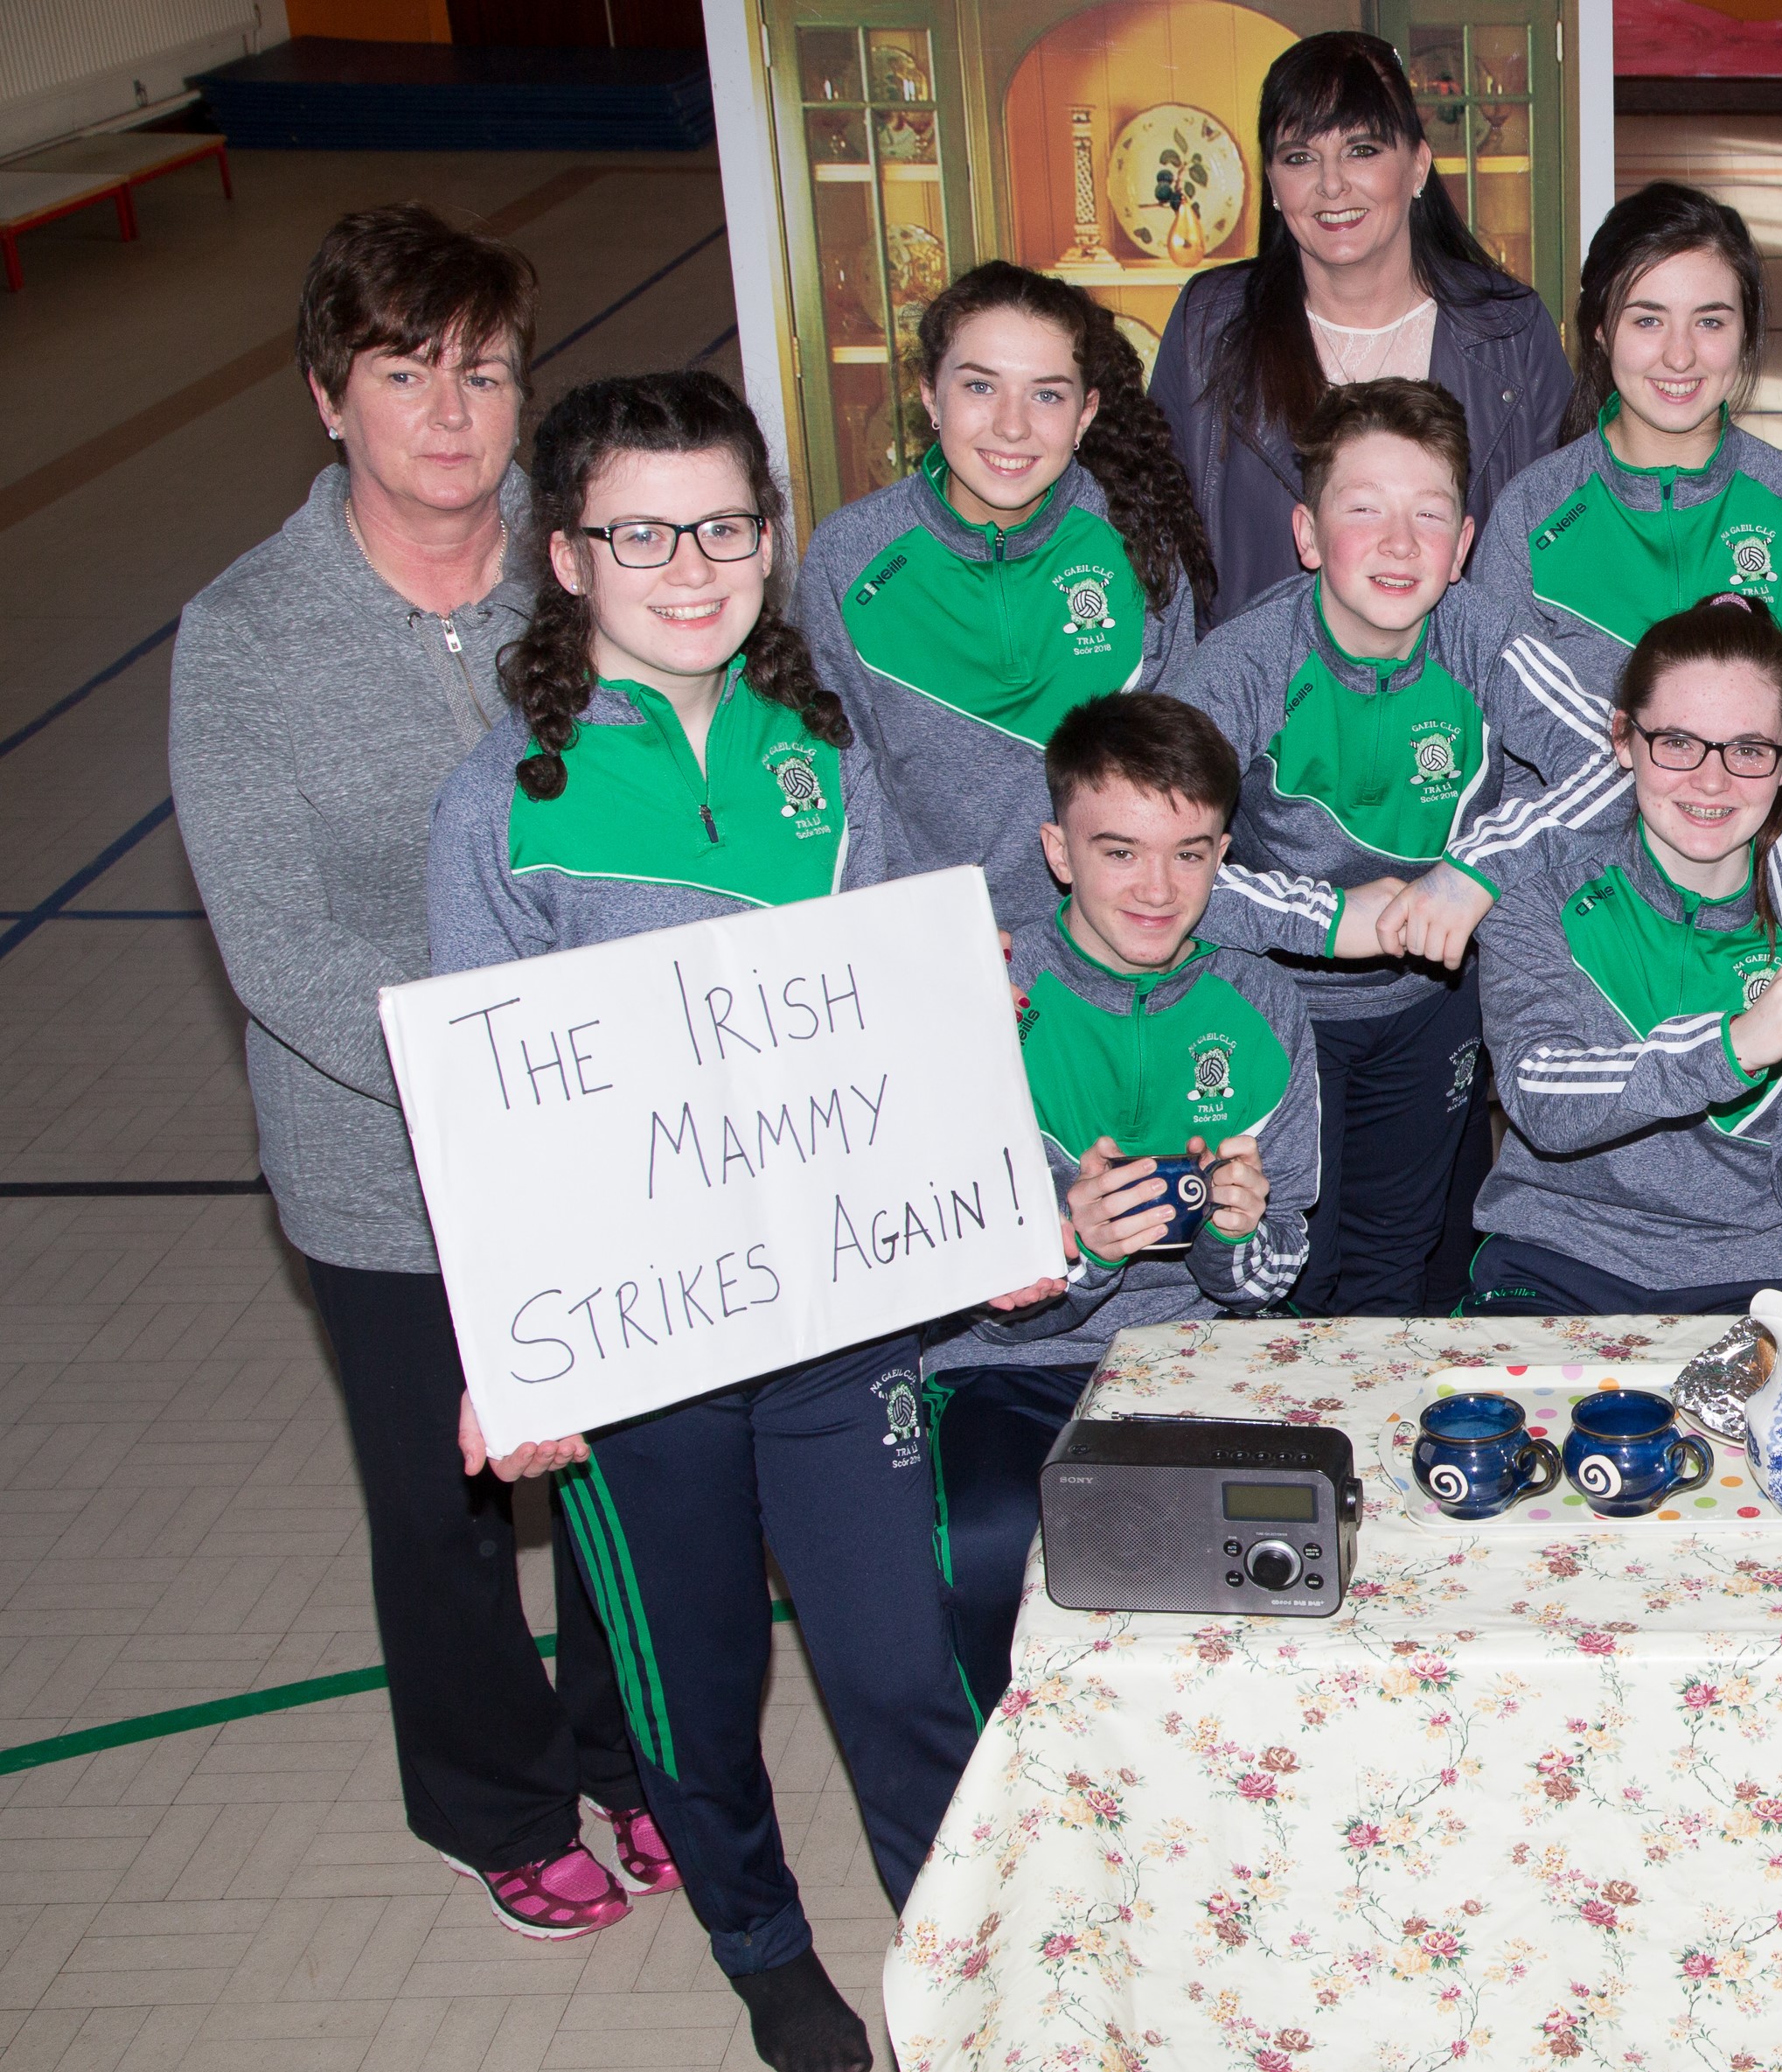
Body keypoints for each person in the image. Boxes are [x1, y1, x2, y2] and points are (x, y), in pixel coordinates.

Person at [429, 372, 976, 2072]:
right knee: (698, 1678)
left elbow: (905, 1029)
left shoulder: (818, 754)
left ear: (767, 539)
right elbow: (480, 1110)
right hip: (643, 1350)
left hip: (835, 1320)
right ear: (568, 553)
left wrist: (985, 1195)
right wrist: (504, 1352)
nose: (690, 564)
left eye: (724, 525)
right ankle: (762, 1943)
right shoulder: (503, 800)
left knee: (900, 1662)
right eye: (641, 530)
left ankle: (970, 1935)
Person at [168, 204, 665, 1941]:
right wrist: (509, 1068)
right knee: (445, 1506)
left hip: (610, 1140)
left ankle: (626, 1748)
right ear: (328, 396)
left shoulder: (590, 571)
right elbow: (282, 953)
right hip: (386, 1166)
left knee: (621, 1469)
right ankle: (490, 1793)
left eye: (484, 369)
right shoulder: (247, 635)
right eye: (405, 371)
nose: (452, 410)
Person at [926, 692, 1321, 1713]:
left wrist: (1234, 1238)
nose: (1157, 887)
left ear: (1223, 853)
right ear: (1058, 850)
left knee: (1281, 1548)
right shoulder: (980, 993)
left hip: (1193, 1353)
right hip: (1005, 1365)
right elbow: (947, 1277)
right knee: (983, 1545)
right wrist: (1081, 1250)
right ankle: (1000, 1796)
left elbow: (1277, 1271)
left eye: (1189, 853)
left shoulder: (1261, 998)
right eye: (1119, 851)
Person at [1406, 180, 1782, 992]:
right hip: (1578, 935)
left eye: (1710, 321)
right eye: (1646, 319)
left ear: (1746, 334)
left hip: (1761, 938)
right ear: (1598, 329)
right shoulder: (1532, 512)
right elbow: (1495, 759)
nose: (1679, 356)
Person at [1162, 379, 1506, 1315]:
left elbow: (1610, 767)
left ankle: (1379, 1443)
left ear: (1464, 545)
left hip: (1429, 1003)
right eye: (1364, 511)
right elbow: (1158, 867)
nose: (1400, 543)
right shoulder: (1238, 668)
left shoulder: (1489, 639)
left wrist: (1474, 869)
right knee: (1296, 1265)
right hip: (1280, 1010)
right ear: (1308, 535)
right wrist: (1325, 919)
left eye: (1428, 515)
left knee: (1399, 1251)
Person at [799, 262, 1215, 951]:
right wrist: (925, 929)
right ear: (930, 395)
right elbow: (840, 780)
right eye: (980, 386)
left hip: (1103, 943)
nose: (1012, 425)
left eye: (1046, 395)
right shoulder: (849, 556)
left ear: (1086, 412)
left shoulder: (1138, 543)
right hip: (924, 941)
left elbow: (1170, 782)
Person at [1463, 597, 1782, 1314]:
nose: (1712, 780)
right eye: (1677, 741)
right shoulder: (1537, 891)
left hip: (1752, 1280)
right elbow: (1539, 1095)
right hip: (1557, 1258)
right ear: (1623, 739)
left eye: (1747, 749)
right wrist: (1733, 1045)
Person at [1152, 29, 1572, 622]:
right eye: (1300, 157)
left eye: (1362, 150)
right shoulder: (1211, 323)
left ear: (1419, 166)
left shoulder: (1509, 328)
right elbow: (1153, 538)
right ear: (1272, 183)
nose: (1331, 185)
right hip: (1259, 704)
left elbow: (1565, 546)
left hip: (1463, 702)